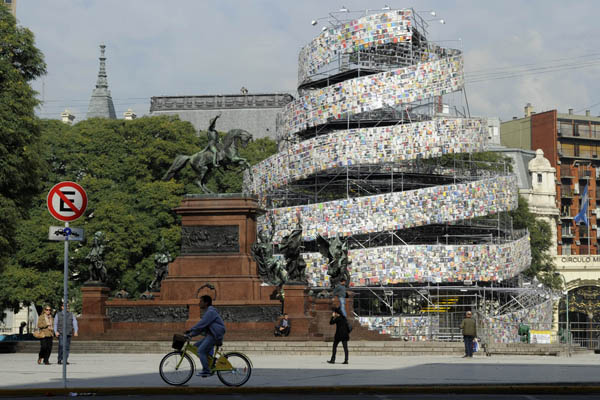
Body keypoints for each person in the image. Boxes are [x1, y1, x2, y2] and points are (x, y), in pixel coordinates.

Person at [186, 295, 226, 377]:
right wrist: (191, 334)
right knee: (196, 346)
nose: (199, 303)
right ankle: (211, 363)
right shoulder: (209, 312)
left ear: (206, 303)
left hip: (214, 336)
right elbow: (201, 328)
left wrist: (190, 330)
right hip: (211, 335)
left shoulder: (210, 312)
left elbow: (201, 324)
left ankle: (206, 370)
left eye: (201, 301)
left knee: (200, 351)